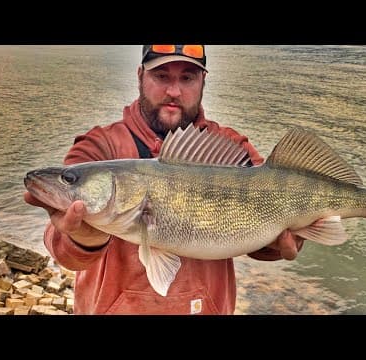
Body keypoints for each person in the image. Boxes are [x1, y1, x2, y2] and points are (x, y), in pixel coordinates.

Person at [24, 45, 304, 315]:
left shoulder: (230, 147)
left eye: (187, 77)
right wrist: (83, 236)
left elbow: (266, 236)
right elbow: (62, 248)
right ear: (140, 77)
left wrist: (283, 241)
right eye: (161, 76)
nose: (173, 91)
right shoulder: (99, 146)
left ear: (203, 81)